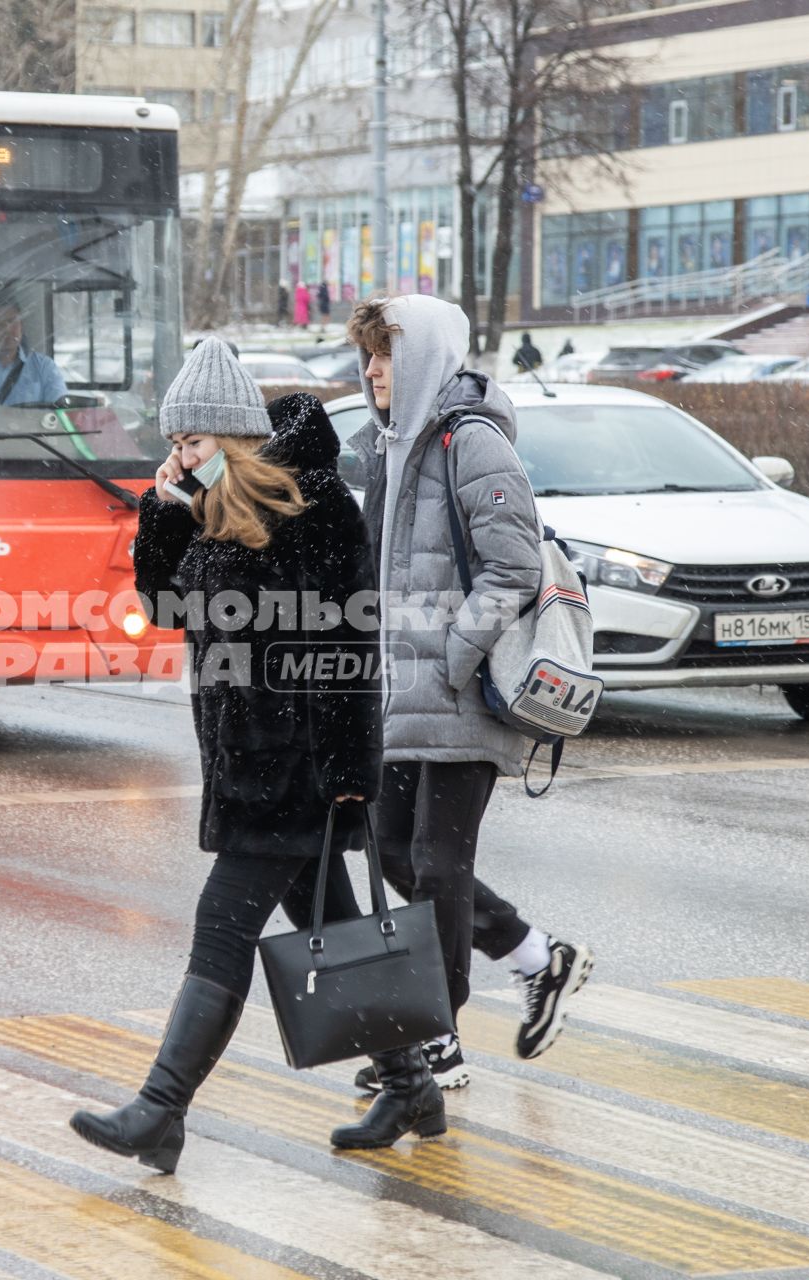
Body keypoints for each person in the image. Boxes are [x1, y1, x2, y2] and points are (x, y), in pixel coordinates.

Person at [69, 343, 427, 1171]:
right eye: (175, 445)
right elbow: (167, 605)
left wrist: (348, 778)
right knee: (329, 920)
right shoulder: (219, 504)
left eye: (190, 444)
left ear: (230, 436)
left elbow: (351, 646)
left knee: (222, 924)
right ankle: (410, 1083)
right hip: (244, 758)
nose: (178, 458)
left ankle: (161, 1109)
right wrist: (165, 510)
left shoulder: (315, 506)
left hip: (294, 765)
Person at [341, 294, 594, 1101]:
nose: (373, 370)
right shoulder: (388, 446)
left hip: (462, 692)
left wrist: (451, 657)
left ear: (422, 358)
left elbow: (514, 566)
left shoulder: (471, 440)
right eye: (369, 355)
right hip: (399, 694)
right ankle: (534, 957)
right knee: (388, 852)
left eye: (386, 354)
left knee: (437, 863)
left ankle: (435, 1039)